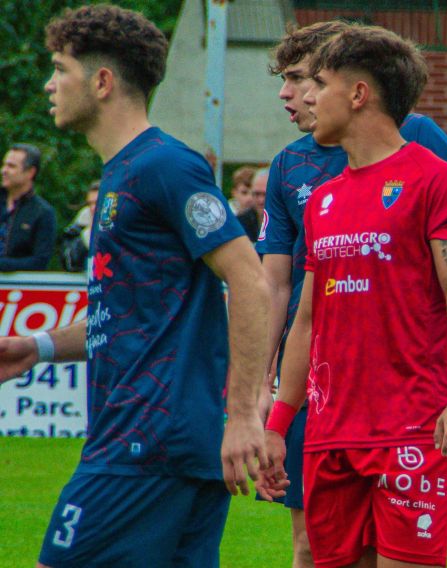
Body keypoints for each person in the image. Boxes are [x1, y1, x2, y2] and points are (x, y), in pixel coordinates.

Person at [0, 6, 271, 567]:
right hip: (160, 440)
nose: (50, 84)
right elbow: (126, 317)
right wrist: (38, 347)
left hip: (147, 437)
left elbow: (249, 278)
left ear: (102, 82)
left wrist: (244, 414)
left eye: (60, 68)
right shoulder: (123, 173)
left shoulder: (164, 166)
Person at [256, 20, 447, 567]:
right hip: (329, 429)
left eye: (318, 83)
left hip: (411, 425)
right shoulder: (323, 200)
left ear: (359, 94)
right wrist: (277, 423)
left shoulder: (437, 179)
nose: (306, 96)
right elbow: (308, 320)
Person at [0, 143, 57, 271]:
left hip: (18, 287)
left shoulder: (42, 212)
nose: (4, 170)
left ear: (30, 172)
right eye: (4, 164)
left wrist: (4, 265)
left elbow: (40, 261)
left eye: (11, 166)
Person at [59, 180, 99, 272]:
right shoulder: (77, 229)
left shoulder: (124, 228)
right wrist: (87, 236)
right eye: (90, 203)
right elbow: (68, 264)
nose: (93, 208)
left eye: (97, 202)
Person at [238, 168, 268, 243]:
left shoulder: (286, 224)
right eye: (257, 194)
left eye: (266, 195)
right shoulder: (240, 222)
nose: (261, 200)